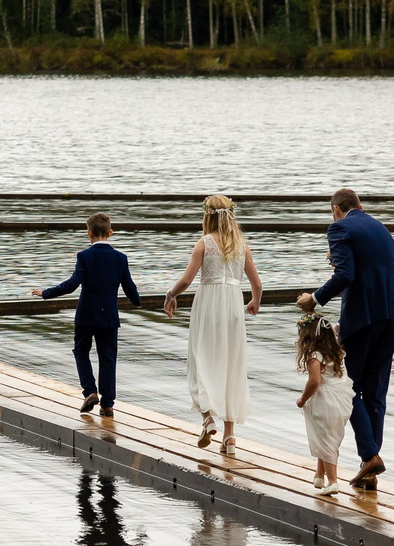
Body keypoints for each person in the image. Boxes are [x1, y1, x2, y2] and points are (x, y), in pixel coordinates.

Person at [297, 187, 394, 491]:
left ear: (336, 210)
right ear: (361, 206)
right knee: (376, 393)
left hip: (362, 319)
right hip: (393, 315)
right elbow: (372, 271)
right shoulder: (382, 230)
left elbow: (346, 275)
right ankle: (369, 468)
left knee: (348, 388)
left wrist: (314, 299)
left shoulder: (340, 228)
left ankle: (370, 456)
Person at [163, 194, 263, 455]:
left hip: (208, 304)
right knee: (231, 365)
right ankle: (229, 437)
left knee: (200, 359)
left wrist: (170, 295)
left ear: (207, 216)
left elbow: (187, 280)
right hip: (233, 306)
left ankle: (207, 418)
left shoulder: (205, 243)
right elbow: (257, 284)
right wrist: (254, 301)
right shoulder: (241, 246)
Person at [31, 212, 142, 416]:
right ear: (110, 232)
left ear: (88, 233)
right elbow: (129, 286)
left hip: (86, 315)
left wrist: (46, 293)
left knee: (81, 351)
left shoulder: (84, 256)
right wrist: (137, 300)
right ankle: (107, 404)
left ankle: (90, 391)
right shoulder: (120, 258)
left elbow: (72, 284)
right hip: (109, 317)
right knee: (108, 357)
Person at [294, 309, 354, 493]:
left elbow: (314, 381)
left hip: (326, 398)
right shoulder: (336, 350)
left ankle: (333, 482)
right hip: (341, 397)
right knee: (327, 436)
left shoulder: (315, 355)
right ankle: (319, 476)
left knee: (326, 440)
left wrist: (302, 399)